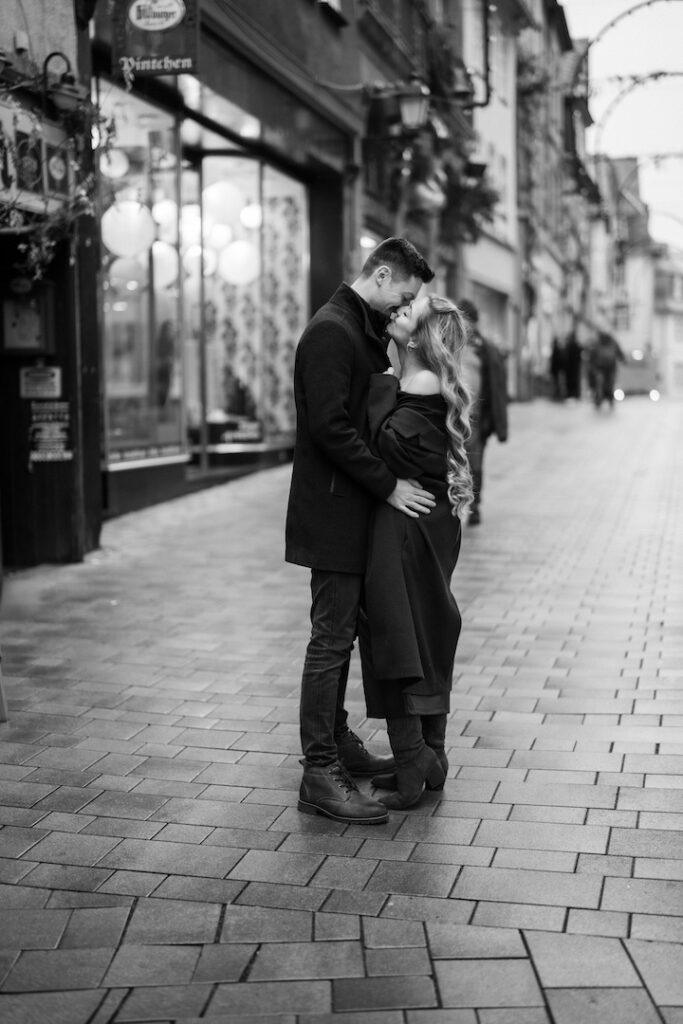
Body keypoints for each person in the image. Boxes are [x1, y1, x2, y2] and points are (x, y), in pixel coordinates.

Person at [286, 237, 436, 825]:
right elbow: (330, 428)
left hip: (350, 509)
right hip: (333, 511)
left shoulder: (358, 327)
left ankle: (338, 742)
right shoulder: (331, 330)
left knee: (341, 634)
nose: (405, 306)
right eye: (404, 294)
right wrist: (389, 484)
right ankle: (319, 771)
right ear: (381, 276)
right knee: (330, 639)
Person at [358, 294, 473, 809]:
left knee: (396, 633)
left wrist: (383, 380)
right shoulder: (428, 380)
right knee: (425, 630)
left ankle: (413, 763)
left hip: (409, 528)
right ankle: (432, 755)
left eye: (411, 312)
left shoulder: (418, 381)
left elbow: (387, 445)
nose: (400, 311)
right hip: (427, 524)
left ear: (419, 338)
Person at [457, 299, 508, 526]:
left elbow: (497, 387)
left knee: (475, 464)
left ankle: (474, 506)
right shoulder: (449, 343)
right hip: (452, 415)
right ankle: (455, 504)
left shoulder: (486, 349)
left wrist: (497, 422)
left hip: (476, 417)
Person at [587, 331, 625, 408]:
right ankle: (599, 399)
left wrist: (622, 358)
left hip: (610, 368)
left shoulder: (612, 343)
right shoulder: (597, 344)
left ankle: (609, 398)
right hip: (600, 368)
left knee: (610, 384)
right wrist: (592, 367)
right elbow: (592, 356)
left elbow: (619, 353)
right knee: (600, 383)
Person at [564, 328, 583, 400]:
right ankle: (574, 394)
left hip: (571, 367)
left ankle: (572, 394)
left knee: (572, 381)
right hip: (573, 367)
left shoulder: (569, 346)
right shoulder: (575, 346)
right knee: (573, 381)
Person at [549, 337, 566, 401]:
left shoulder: (556, 350)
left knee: (557, 384)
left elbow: (555, 361)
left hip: (556, 370)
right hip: (557, 370)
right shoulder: (557, 350)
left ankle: (557, 395)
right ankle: (557, 395)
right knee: (557, 383)